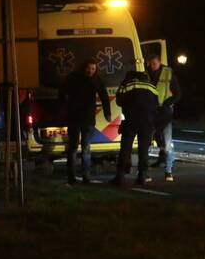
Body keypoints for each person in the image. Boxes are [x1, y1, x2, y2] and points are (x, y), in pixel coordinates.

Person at [59, 57, 112, 185]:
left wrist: (107, 113)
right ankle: (72, 176)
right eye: (89, 68)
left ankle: (85, 176)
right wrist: (62, 108)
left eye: (93, 69)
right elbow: (62, 93)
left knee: (85, 148)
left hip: (87, 119)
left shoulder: (95, 80)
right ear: (84, 68)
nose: (91, 71)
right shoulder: (75, 78)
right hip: (75, 118)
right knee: (74, 148)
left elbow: (104, 96)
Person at [112, 69, 156, 186]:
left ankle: (120, 177)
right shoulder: (151, 85)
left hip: (131, 120)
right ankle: (142, 177)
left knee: (125, 149)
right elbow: (157, 102)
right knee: (143, 150)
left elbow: (119, 101)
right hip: (147, 122)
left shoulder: (126, 84)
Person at [145, 52, 181, 182]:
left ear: (159, 63)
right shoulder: (146, 74)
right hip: (152, 113)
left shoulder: (168, 73)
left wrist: (167, 104)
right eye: (151, 64)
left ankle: (168, 171)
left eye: (155, 64)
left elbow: (177, 94)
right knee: (148, 143)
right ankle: (146, 172)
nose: (152, 66)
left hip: (165, 113)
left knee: (167, 144)